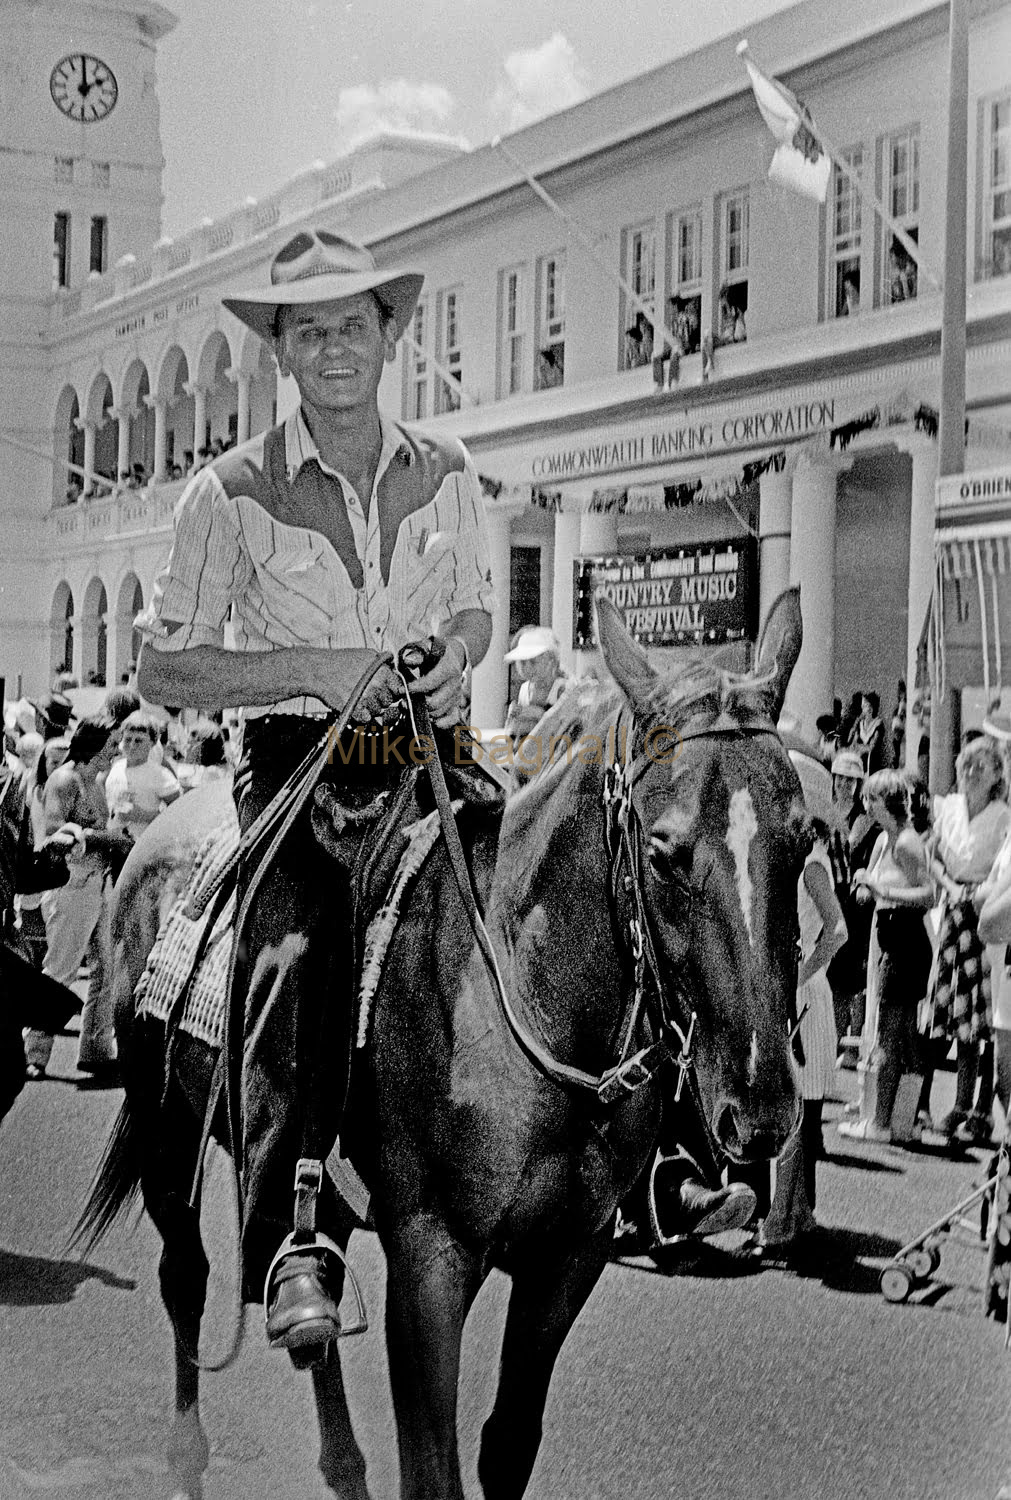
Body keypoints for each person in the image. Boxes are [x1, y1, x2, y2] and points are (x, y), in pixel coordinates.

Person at [135, 227, 495, 1360]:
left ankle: (653, 1153)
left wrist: (458, 655)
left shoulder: (450, 472)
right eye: (310, 330)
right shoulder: (226, 492)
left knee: (578, 881)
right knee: (303, 958)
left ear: (391, 337)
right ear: (282, 353)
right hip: (298, 769)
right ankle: (303, 1227)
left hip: (431, 754)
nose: (335, 347)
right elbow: (161, 666)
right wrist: (309, 670)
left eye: (354, 324)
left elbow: (478, 606)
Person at [758, 747, 847, 1254]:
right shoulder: (796, 862)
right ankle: (794, 1214)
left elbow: (837, 931)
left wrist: (802, 975)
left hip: (806, 998)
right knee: (796, 1113)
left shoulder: (811, 865)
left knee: (794, 1113)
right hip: (796, 994)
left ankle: (780, 1221)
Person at [22, 716, 129, 1079]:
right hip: (72, 885)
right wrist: (106, 838)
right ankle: (33, 1053)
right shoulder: (65, 779)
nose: (117, 750)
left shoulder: (96, 781)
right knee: (59, 971)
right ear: (95, 745)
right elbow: (54, 833)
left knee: (106, 969)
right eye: (112, 744)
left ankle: (96, 1048)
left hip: (98, 883)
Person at [922, 735, 1010, 1140]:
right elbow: (934, 857)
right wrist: (950, 888)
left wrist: (976, 895)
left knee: (989, 1017)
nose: (972, 772)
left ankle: (983, 1111)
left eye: (982, 766)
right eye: (967, 764)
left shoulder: (1003, 816)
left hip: (987, 919)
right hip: (953, 914)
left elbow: (1000, 876)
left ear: (997, 775)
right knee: (958, 1016)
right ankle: (958, 1104)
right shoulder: (948, 808)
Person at [839, 771, 933, 1142]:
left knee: (892, 1034)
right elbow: (879, 888)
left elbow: (929, 895)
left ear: (886, 802)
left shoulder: (907, 842)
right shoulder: (883, 840)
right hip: (888, 937)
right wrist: (869, 889)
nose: (865, 803)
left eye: (871, 798)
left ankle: (880, 1123)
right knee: (901, 1035)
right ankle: (902, 1123)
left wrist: (879, 887)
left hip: (906, 942)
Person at [0, 754, 78, 1126]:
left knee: (7, 1075)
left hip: (0, 941)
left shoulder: (12, 780)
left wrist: (52, 856)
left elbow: (19, 871)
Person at [104, 711, 182, 840]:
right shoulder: (116, 767)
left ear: (152, 743)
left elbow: (179, 811)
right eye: (128, 739)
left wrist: (145, 815)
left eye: (139, 741)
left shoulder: (160, 774)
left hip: (140, 845)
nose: (132, 746)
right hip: (113, 840)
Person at [503, 626, 572, 751]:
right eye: (522, 663)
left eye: (533, 662)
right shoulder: (524, 689)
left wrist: (538, 713)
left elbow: (567, 726)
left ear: (551, 661)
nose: (527, 668)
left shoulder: (562, 688)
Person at [848, 691, 887, 773]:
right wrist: (856, 721)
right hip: (859, 763)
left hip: (872, 764)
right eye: (864, 705)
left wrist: (860, 748)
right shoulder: (860, 723)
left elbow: (872, 747)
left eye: (868, 705)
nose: (867, 708)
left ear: (873, 707)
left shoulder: (878, 724)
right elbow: (852, 743)